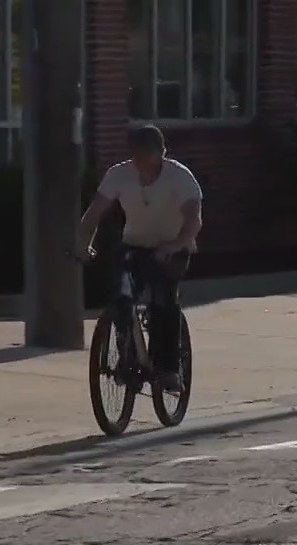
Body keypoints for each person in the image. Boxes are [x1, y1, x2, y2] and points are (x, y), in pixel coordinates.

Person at [77, 125, 203, 393]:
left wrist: (175, 244)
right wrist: (84, 245)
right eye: (136, 155)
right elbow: (94, 214)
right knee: (121, 297)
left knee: (162, 300)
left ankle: (169, 370)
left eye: (147, 155)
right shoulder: (119, 175)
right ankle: (127, 354)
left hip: (172, 248)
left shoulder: (179, 177)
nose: (141, 162)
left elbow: (193, 220)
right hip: (134, 246)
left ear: (162, 152)